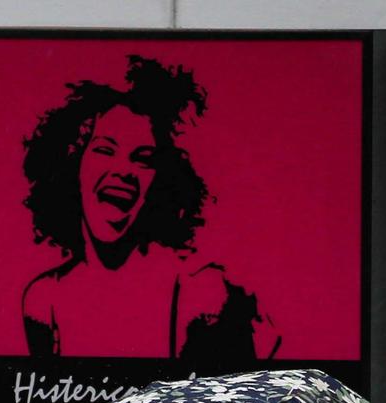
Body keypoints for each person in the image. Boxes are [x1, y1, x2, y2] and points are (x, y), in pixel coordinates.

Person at [20, 54, 278, 365]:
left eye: (143, 158)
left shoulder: (200, 293)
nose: (123, 171)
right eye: (105, 150)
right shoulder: (43, 300)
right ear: (73, 163)